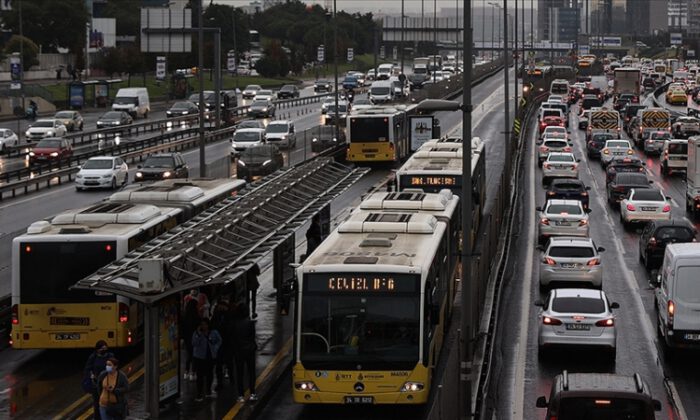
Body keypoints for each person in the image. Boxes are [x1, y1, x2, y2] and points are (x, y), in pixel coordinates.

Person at [232, 305, 258, 403]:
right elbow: (252, 337)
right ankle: (252, 393)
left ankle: (240, 395)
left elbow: (233, 338)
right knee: (251, 372)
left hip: (239, 351)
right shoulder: (250, 323)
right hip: (249, 350)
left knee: (239, 373)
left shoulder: (234, 323)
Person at [191, 318, 222, 401]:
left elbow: (219, 340)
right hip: (199, 357)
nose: (204, 326)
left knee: (209, 374)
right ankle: (199, 393)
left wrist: (215, 348)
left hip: (210, 356)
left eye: (205, 324)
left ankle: (208, 390)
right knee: (200, 375)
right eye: (202, 324)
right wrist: (199, 334)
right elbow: (194, 343)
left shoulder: (213, 332)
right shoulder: (196, 333)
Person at [84, 340, 115, 420]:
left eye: (105, 349)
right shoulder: (93, 357)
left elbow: (115, 368)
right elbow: (87, 369)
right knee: (97, 404)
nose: (104, 351)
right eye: (102, 349)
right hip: (96, 384)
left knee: (108, 403)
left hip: (108, 383)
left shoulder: (110, 356)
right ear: (97, 349)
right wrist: (91, 375)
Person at [211, 299, 234, 389]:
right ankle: (220, 382)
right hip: (219, 343)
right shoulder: (216, 315)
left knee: (229, 362)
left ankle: (231, 378)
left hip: (227, 342)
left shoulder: (229, 315)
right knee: (219, 364)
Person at [181, 298, 200, 381]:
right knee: (194, 355)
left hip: (187, 339)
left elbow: (182, 329)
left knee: (189, 355)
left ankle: (186, 371)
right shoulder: (196, 317)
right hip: (195, 338)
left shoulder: (185, 317)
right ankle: (193, 372)